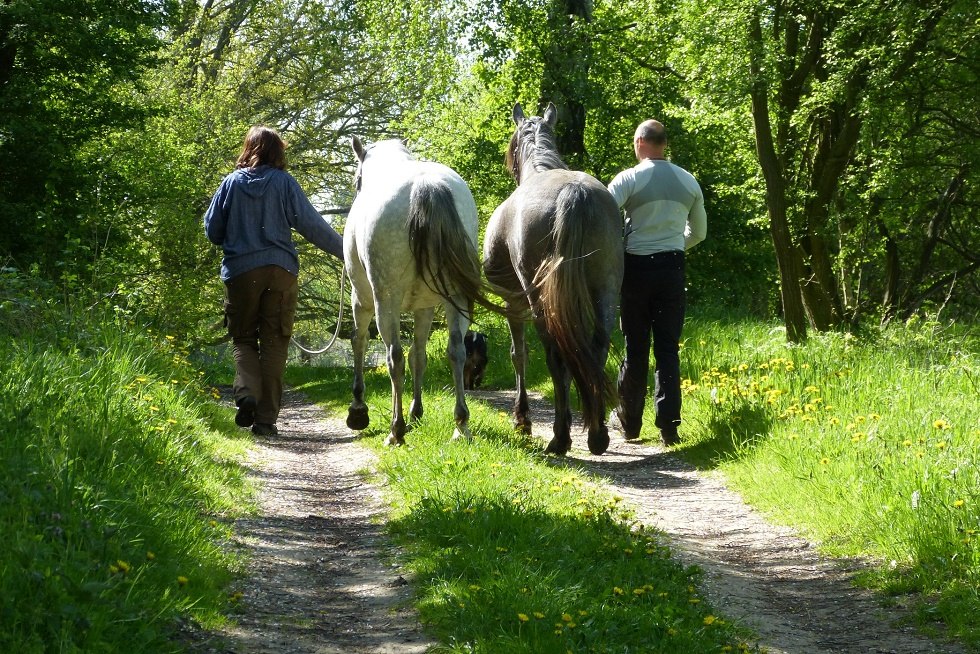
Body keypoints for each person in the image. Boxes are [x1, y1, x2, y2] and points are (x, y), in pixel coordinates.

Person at [204, 125, 344, 436]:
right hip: (281, 271)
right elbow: (311, 224)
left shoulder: (230, 184)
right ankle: (265, 421)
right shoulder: (285, 183)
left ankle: (247, 395)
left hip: (241, 271)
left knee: (243, 338)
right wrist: (347, 252)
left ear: (248, 149)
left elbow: (213, 230)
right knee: (274, 343)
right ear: (277, 152)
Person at [607, 119, 706, 446]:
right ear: (664, 143)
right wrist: (675, 244)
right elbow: (700, 233)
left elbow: (605, 216)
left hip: (636, 269)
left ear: (639, 143)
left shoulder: (629, 179)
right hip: (672, 269)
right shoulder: (688, 181)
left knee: (635, 347)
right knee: (667, 349)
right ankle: (669, 427)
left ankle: (629, 423)